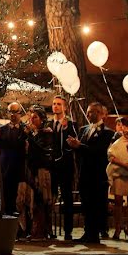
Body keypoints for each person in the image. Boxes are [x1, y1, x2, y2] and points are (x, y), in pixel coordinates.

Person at [68, 102, 115, 243]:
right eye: (88, 112)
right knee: (86, 204)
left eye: (92, 112)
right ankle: (87, 231)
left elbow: (100, 152)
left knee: (96, 204)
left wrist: (80, 146)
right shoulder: (83, 130)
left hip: (98, 173)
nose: (89, 115)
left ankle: (94, 233)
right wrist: (74, 145)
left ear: (101, 114)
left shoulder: (108, 133)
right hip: (84, 172)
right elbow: (81, 150)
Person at [19, 106, 53, 239]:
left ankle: (41, 230)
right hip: (30, 169)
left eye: (35, 118)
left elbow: (43, 150)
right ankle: (30, 229)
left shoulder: (46, 133)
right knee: (30, 200)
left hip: (41, 170)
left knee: (41, 200)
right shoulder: (31, 133)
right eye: (31, 117)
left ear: (42, 119)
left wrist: (30, 135)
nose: (32, 120)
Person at [50, 95, 79, 241]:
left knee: (67, 198)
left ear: (65, 107)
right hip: (52, 166)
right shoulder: (49, 124)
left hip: (65, 166)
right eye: (54, 104)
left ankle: (68, 231)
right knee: (50, 196)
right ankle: (49, 229)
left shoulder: (72, 124)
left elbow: (74, 144)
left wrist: (67, 129)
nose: (55, 106)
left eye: (58, 104)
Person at [0, 102, 28, 221]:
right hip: (5, 169)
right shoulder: (1, 130)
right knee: (6, 198)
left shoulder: (25, 130)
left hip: (20, 169)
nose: (13, 115)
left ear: (20, 113)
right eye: (10, 112)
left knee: (19, 200)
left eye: (15, 112)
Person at [107, 116, 128, 240]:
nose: (120, 127)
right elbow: (110, 156)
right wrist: (124, 164)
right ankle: (118, 228)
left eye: (123, 125)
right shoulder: (113, 140)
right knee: (118, 201)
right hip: (119, 172)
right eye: (118, 125)